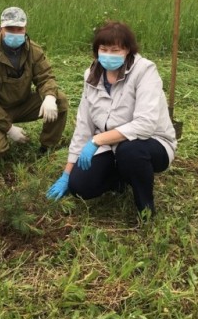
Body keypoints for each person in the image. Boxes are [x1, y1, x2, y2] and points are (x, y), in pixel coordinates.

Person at [47, 21, 177, 217]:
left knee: (130, 151)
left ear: (127, 50)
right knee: (80, 185)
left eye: (115, 50)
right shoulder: (92, 75)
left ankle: (145, 209)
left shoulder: (144, 71)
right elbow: (84, 125)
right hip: (110, 145)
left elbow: (145, 125)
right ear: (96, 51)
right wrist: (67, 173)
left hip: (151, 142)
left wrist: (97, 140)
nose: (109, 54)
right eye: (104, 49)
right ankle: (119, 180)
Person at [0, 6, 68, 159]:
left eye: (19, 29)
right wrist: (9, 129)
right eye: (10, 29)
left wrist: (49, 96)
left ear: (25, 29)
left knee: (59, 100)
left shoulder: (33, 50)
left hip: (23, 104)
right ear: (1, 29)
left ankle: (47, 147)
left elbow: (45, 77)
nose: (15, 33)